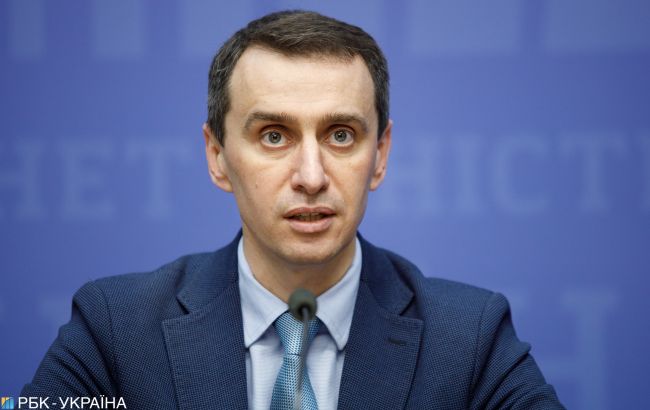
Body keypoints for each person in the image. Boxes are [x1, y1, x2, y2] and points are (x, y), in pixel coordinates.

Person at [23, 10, 564, 410]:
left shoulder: (469, 339)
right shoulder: (117, 330)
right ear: (217, 156)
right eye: (274, 135)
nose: (311, 176)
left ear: (380, 155)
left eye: (341, 134)